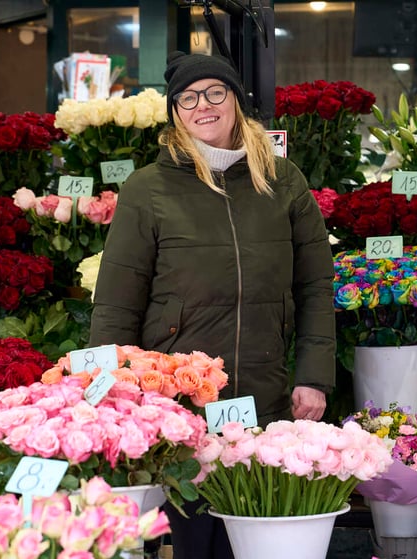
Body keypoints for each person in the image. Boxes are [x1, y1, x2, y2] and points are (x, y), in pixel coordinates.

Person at [88, 51, 336, 559]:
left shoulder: (283, 180)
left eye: (215, 92)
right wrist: (108, 393)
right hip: (179, 400)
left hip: (264, 394)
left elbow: (315, 285)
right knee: (191, 537)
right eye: (187, 98)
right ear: (175, 112)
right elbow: (116, 301)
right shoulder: (148, 188)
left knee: (255, 536)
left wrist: (314, 376)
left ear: (236, 100)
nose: (203, 105)